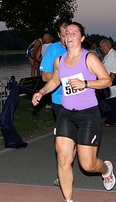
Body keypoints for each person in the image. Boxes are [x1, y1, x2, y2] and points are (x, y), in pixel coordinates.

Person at [32, 22, 116, 202]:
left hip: (88, 115)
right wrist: (41, 92)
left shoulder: (90, 58)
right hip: (66, 114)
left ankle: (107, 169)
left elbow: (107, 81)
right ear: (63, 37)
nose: (69, 35)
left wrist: (86, 83)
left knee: (87, 165)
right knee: (63, 159)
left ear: (82, 38)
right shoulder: (59, 61)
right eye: (67, 33)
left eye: (74, 33)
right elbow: (54, 80)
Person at [39, 20, 69, 186]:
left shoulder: (83, 51)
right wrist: (67, 76)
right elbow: (45, 77)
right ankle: (63, 171)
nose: (66, 38)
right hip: (59, 100)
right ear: (59, 35)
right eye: (63, 34)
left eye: (69, 34)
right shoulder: (53, 50)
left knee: (78, 141)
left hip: (81, 103)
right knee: (63, 138)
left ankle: (69, 162)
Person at [100, 39, 116, 127]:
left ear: (109, 45)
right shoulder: (108, 55)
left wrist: (108, 83)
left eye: (104, 46)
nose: (102, 48)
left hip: (112, 79)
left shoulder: (112, 55)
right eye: (101, 47)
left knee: (111, 101)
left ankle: (110, 121)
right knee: (114, 101)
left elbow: (113, 72)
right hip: (111, 79)